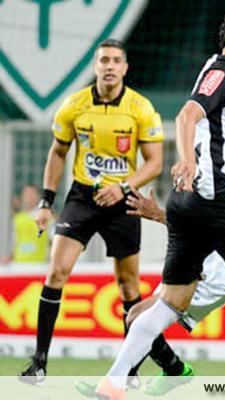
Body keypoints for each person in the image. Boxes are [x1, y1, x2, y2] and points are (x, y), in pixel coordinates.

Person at [95, 6, 225, 398]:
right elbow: (186, 117)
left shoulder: (218, 72)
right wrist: (186, 159)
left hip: (187, 202)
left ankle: (113, 382)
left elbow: (215, 140)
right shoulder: (224, 72)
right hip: (217, 200)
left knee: (169, 303)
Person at [77, 147, 225, 397]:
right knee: (135, 315)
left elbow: (203, 225)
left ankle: (120, 382)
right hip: (200, 261)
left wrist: (157, 214)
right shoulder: (202, 159)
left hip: (216, 274)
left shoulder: (214, 183)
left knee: (141, 318)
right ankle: (167, 371)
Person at [19, 38, 164, 385]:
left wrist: (123, 187)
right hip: (83, 197)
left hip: (123, 201)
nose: (109, 66)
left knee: (129, 287)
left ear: (125, 68)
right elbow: (58, 152)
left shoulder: (141, 108)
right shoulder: (74, 105)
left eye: (115, 61)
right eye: (104, 60)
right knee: (57, 271)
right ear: (96, 66)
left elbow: (155, 163)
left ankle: (130, 371)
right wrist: (46, 202)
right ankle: (39, 363)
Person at [1, 186, 51, 264]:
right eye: (26, 195)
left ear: (38, 197)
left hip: (40, 265)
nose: (29, 198)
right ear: (22, 197)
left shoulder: (45, 217)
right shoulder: (17, 218)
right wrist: (9, 258)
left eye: (32, 194)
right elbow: (15, 243)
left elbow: (52, 242)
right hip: (20, 264)